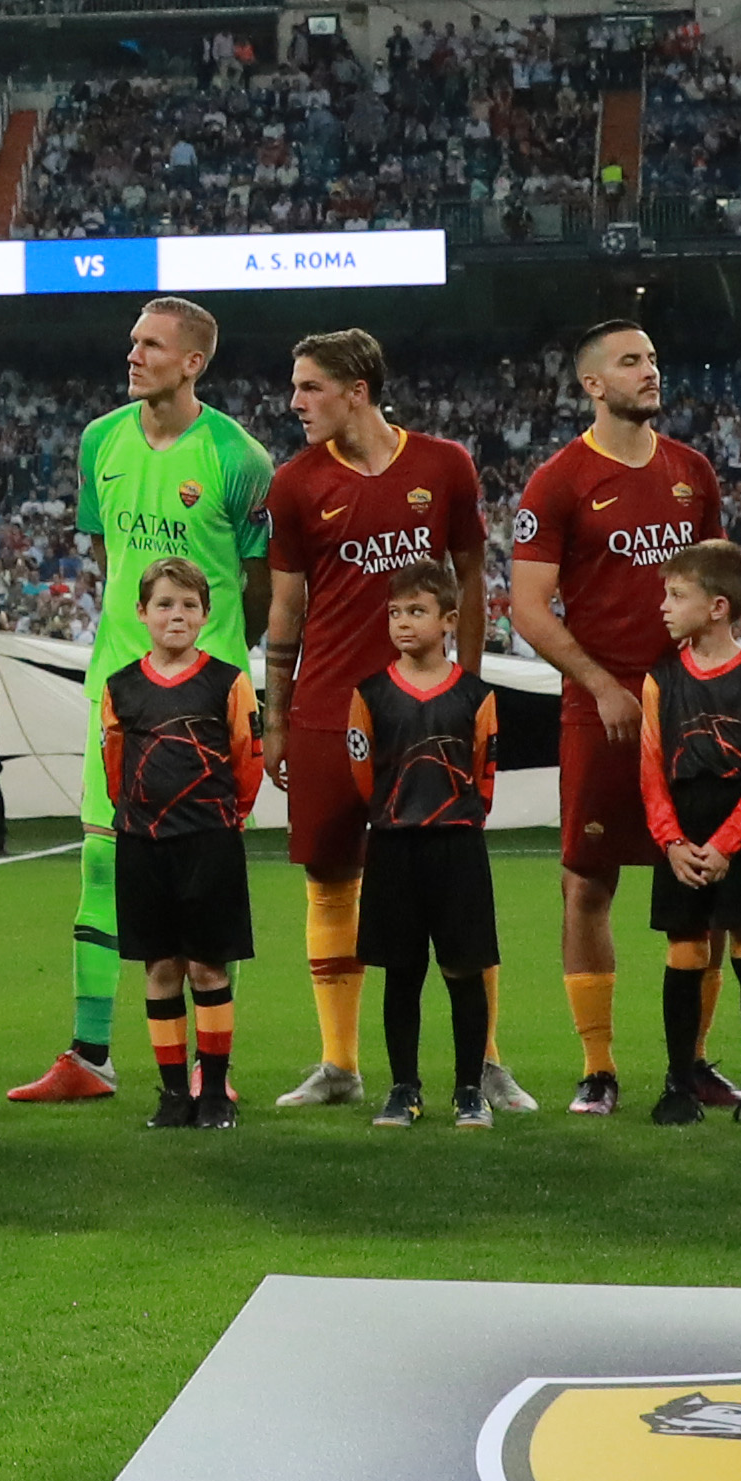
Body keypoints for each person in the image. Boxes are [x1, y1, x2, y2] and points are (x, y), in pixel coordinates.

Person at [504, 315, 727, 1120]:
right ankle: (597, 1067)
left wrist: (711, 682)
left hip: (694, 710)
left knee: (703, 877)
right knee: (586, 883)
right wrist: (601, 684)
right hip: (599, 713)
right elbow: (528, 608)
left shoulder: (693, 472)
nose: (650, 371)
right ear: (592, 383)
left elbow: (717, 591)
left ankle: (694, 1060)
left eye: (655, 357)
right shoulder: (558, 481)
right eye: (632, 361)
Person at [254, 331, 484, 1112]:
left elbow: (472, 575)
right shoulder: (293, 484)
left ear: (357, 390)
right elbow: (286, 610)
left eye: (310, 387)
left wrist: (472, 687)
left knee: (453, 888)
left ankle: (481, 1063)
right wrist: (275, 716)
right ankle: (340, 1065)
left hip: (427, 715)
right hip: (325, 707)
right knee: (329, 879)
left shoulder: (444, 466)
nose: (296, 403)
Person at [348, 558, 516, 1130]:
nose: (402, 623)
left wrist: (453, 817)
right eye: (394, 612)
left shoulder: (475, 695)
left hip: (457, 848)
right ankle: (404, 1088)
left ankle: (470, 1089)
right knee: (402, 973)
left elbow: (483, 775)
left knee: (464, 971)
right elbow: (361, 772)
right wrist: (395, 816)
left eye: (416, 612)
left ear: (448, 620)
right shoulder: (370, 694)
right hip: (394, 847)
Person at [98, 556, 263, 1134]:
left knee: (208, 968)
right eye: (164, 604)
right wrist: (138, 818)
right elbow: (114, 763)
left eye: (188, 605)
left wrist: (223, 817)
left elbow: (247, 761)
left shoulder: (228, 681)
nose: (176, 615)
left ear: (205, 614)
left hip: (209, 841)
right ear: (141, 613)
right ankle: (172, 1095)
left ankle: (214, 1091)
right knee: (161, 967)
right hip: (143, 843)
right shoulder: (121, 687)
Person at [638, 542, 741, 1126]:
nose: (664, 606)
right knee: (685, 948)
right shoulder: (660, 680)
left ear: (718, 607)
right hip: (683, 827)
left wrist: (728, 842)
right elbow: (652, 771)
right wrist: (673, 843)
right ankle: (679, 1083)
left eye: (676, 596)